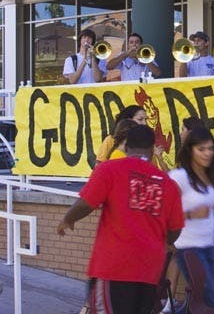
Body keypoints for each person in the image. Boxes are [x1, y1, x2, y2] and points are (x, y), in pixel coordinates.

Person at [56, 125, 184, 314]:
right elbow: (175, 229)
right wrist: (165, 241)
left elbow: (86, 203)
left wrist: (68, 219)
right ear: (152, 149)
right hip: (149, 271)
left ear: (126, 146)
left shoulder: (110, 169)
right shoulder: (168, 183)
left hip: (113, 268)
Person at [168, 127, 214, 309]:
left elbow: (207, 209)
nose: (207, 153)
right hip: (188, 248)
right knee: (209, 301)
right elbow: (165, 212)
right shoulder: (180, 177)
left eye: (210, 148)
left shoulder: (208, 177)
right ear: (190, 150)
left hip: (208, 245)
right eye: (201, 149)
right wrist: (192, 214)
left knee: (198, 301)